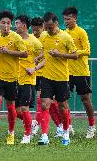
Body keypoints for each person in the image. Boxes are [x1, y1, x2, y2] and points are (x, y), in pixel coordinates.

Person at [32, 12, 77, 146]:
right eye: (46, 27)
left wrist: (60, 54)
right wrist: (39, 58)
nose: (48, 30)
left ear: (56, 24)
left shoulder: (66, 37)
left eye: (50, 27)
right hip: (46, 77)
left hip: (62, 78)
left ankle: (65, 132)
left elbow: (75, 56)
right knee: (45, 104)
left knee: (63, 107)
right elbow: (44, 52)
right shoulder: (44, 35)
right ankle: (44, 136)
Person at [0, 10, 27, 145]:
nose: (5, 25)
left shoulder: (16, 37)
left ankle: (11, 133)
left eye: (8, 23)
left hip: (12, 77)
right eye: (3, 22)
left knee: (11, 108)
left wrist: (8, 51)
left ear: (11, 25)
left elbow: (25, 54)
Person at [63, 6, 95, 138]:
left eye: (68, 19)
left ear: (75, 19)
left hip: (81, 72)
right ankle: (68, 126)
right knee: (62, 99)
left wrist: (75, 53)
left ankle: (92, 126)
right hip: (66, 72)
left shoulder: (81, 32)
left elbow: (87, 50)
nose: (66, 22)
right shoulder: (64, 33)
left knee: (85, 100)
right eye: (64, 19)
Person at [14, 15, 42, 144]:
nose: (15, 26)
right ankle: (32, 123)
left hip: (27, 80)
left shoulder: (34, 41)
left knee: (25, 108)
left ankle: (27, 134)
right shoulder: (14, 38)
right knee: (15, 111)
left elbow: (45, 54)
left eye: (17, 23)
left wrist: (34, 67)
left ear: (24, 26)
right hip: (14, 78)